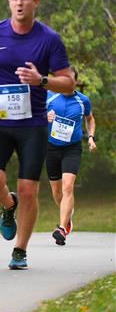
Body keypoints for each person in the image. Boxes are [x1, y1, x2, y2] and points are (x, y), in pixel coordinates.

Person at [0, 0, 75, 270]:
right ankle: (8, 204)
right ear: (9, 2)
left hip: (33, 125)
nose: (19, 3)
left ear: (35, 2)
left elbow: (68, 82)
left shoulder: (49, 39)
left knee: (29, 190)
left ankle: (20, 250)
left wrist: (41, 80)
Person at [45, 68, 97, 246]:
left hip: (72, 149)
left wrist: (91, 137)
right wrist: (46, 116)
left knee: (68, 187)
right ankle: (67, 216)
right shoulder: (49, 96)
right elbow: (34, 117)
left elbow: (90, 119)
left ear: (75, 82)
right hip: (51, 148)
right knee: (56, 192)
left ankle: (61, 228)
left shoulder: (83, 100)